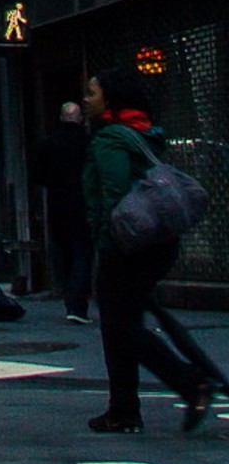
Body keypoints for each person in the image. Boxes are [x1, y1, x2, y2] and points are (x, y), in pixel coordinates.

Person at [83, 68, 211, 435]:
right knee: (122, 325)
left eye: (93, 93)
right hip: (158, 242)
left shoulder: (109, 140)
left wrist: (106, 237)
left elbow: (113, 190)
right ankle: (123, 410)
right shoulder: (144, 134)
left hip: (126, 244)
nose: (87, 99)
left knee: (120, 328)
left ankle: (190, 384)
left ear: (110, 100)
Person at [32, 99, 92, 321]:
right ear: (80, 119)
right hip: (83, 203)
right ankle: (77, 304)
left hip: (57, 203)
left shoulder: (49, 143)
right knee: (83, 252)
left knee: (65, 252)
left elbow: (38, 175)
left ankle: (69, 296)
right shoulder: (87, 142)